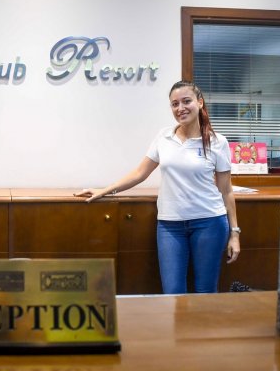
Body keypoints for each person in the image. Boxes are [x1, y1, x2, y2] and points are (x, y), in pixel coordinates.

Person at [75, 80, 241, 294]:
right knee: (172, 293)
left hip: (209, 222)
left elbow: (226, 190)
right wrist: (104, 191)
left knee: (206, 292)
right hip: (170, 225)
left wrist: (235, 234)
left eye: (186, 101)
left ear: (200, 102)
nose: (180, 108)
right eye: (174, 104)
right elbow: (140, 173)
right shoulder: (164, 137)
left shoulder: (217, 142)